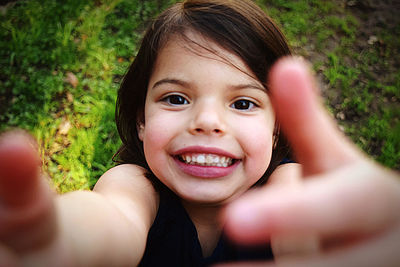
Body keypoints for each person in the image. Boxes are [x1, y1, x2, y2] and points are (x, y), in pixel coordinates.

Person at [0, 1, 399, 267]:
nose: (207, 121)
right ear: (141, 120)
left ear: (277, 131)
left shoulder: (286, 187)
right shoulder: (133, 187)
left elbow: (308, 227)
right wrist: (63, 239)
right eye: (175, 98)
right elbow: (110, 220)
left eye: (243, 103)